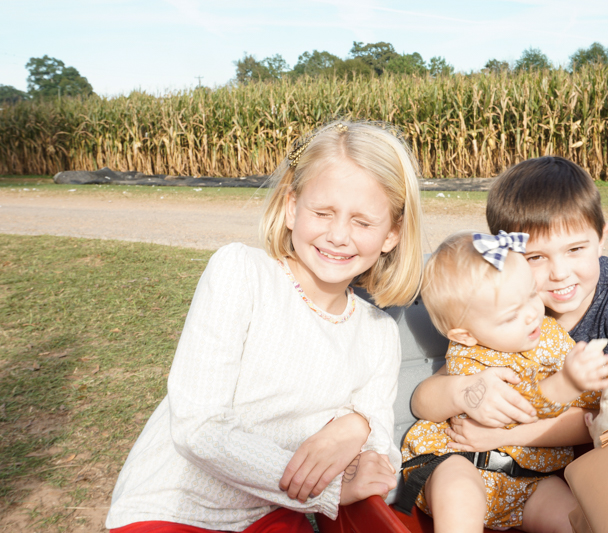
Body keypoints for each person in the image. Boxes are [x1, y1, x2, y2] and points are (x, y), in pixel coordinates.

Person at [105, 120, 424, 533]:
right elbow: (198, 427)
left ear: (392, 233)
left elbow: (382, 458)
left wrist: (357, 425)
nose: (339, 235)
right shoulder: (241, 272)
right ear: (292, 208)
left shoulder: (377, 332)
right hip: (174, 509)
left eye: (363, 222)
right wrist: (327, 491)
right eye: (323, 212)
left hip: (271, 513)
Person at [411, 156, 608, 454]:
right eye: (536, 257)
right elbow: (424, 397)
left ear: (601, 238)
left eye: (576, 249)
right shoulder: (499, 310)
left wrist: (506, 437)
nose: (560, 273)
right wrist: (464, 392)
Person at [399, 231, 608, 532]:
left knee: (576, 520)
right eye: (510, 316)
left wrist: (606, 376)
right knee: (459, 495)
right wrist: (565, 383)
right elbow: (522, 402)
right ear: (466, 334)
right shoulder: (472, 355)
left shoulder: (552, 339)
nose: (531, 315)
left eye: (530, 295)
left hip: (530, 479)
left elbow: (590, 416)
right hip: (457, 457)